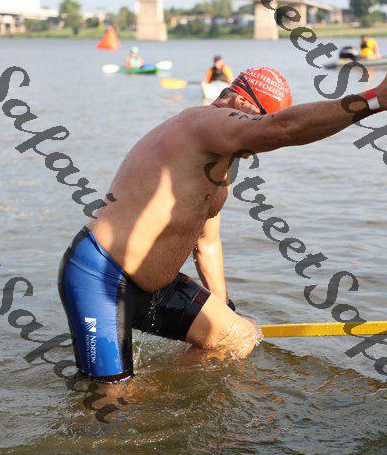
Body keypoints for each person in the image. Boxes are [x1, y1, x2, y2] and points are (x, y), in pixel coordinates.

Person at [58, 66, 387, 383]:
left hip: (156, 287)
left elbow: (207, 242)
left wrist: (225, 308)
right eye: (259, 120)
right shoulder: (205, 122)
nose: (256, 148)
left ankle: (154, 393)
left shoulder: (222, 161)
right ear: (241, 102)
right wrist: (375, 99)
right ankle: (125, 394)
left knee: (238, 338)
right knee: (111, 404)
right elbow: (286, 129)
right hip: (100, 278)